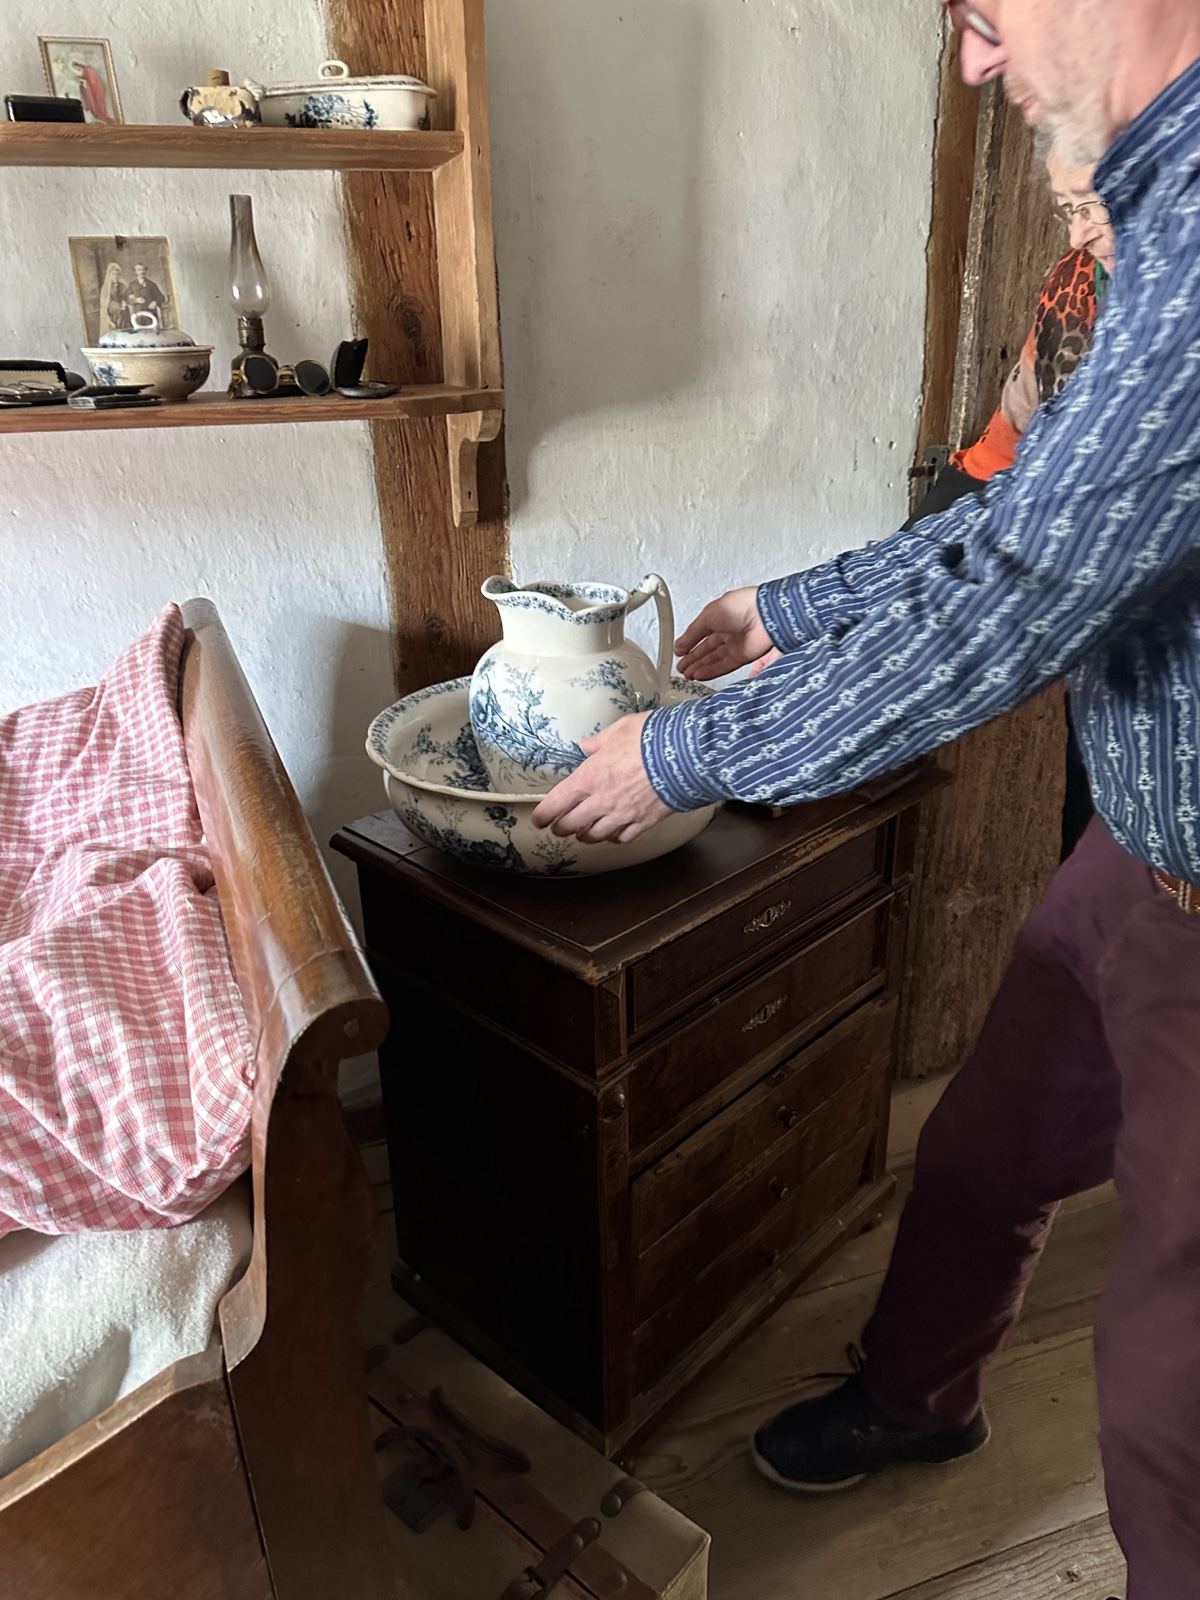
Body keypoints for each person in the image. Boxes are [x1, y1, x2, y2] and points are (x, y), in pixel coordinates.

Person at [532, 2, 1200, 1593]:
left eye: (980, 14)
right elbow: (1022, 516)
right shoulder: (1152, 221)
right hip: (1140, 847)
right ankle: (918, 1400)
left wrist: (681, 754)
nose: (972, 62)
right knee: (980, 1153)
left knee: (1171, 1403)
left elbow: (1017, 600)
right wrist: (794, 605)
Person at [69, 59, 114, 125]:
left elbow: (93, 81)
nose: (77, 69)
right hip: (89, 90)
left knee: (96, 102)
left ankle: (99, 114)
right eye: (75, 68)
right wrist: (82, 82)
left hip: (94, 90)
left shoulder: (87, 70)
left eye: (77, 67)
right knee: (90, 103)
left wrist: (84, 81)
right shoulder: (85, 71)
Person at [125, 264, 168, 329]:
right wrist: (136, 300)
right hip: (137, 315)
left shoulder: (151, 285)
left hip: (150, 314)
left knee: (151, 332)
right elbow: (127, 299)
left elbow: (161, 297)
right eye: (139, 270)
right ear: (135, 272)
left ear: (145, 271)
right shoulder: (132, 285)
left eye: (143, 270)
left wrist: (155, 302)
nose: (141, 272)